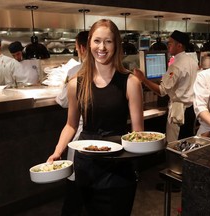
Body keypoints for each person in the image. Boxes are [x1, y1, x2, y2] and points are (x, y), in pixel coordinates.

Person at [47, 19, 144, 216]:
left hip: (119, 167)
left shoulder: (131, 82)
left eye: (108, 41)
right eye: (97, 41)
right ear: (89, 43)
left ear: (116, 44)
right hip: (87, 165)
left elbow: (138, 132)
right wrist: (57, 151)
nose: (102, 47)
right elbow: (71, 125)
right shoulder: (76, 83)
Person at [133, 30, 199, 143]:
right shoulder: (192, 61)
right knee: (187, 142)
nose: (168, 45)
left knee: (174, 144)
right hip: (191, 110)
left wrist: (143, 79)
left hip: (179, 111)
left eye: (170, 43)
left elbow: (161, 91)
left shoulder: (176, 66)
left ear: (179, 45)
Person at [55, 31, 89, 216]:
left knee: (75, 192)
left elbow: (62, 101)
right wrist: (58, 151)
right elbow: (70, 124)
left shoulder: (74, 72)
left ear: (81, 48)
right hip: (78, 133)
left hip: (81, 137)